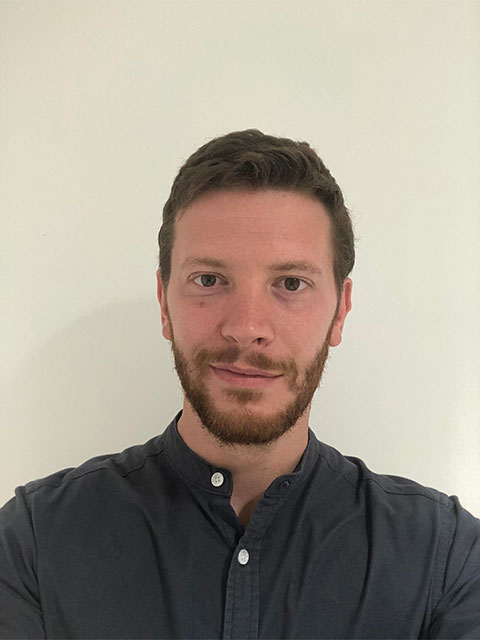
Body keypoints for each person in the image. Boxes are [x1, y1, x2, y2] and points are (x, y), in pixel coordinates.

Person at [0, 129, 479, 639]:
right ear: (164, 303)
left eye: (291, 283)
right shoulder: (34, 544)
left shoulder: (444, 559)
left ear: (340, 311)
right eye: (209, 279)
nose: (247, 325)